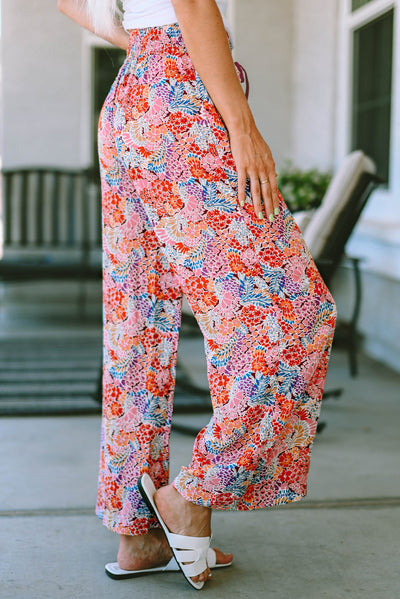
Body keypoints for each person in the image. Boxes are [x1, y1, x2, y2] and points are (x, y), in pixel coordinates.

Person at [58, 0, 337, 590]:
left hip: (133, 98)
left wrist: (140, 37)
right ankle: (190, 495)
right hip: (183, 93)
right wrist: (241, 124)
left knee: (138, 321)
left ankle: (139, 533)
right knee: (297, 315)